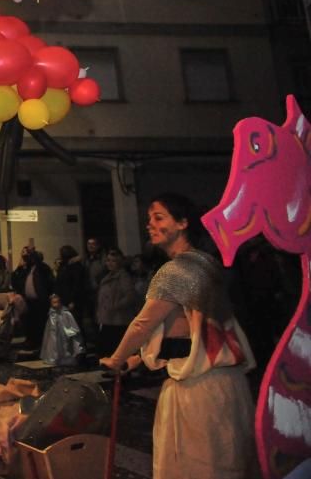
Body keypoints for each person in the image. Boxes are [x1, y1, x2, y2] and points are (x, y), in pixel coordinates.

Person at [100, 193, 256, 479]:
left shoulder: (176, 270)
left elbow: (142, 325)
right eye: (149, 219)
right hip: (229, 386)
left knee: (196, 469)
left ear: (183, 223)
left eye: (159, 218)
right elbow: (184, 330)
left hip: (198, 391)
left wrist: (116, 358)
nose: (150, 225)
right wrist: (138, 360)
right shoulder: (207, 263)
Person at [95, 249, 139, 359]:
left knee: (117, 347)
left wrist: (115, 306)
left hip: (118, 319)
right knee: (108, 348)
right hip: (108, 318)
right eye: (108, 260)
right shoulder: (107, 276)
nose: (109, 263)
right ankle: (112, 370)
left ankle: (119, 371)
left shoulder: (123, 277)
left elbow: (130, 295)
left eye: (113, 261)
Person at [11, 247, 53, 351]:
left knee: (40, 322)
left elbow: (49, 282)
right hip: (30, 301)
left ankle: (40, 343)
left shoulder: (43, 268)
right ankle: (31, 341)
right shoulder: (29, 268)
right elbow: (16, 279)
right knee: (30, 322)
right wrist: (19, 268)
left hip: (40, 300)